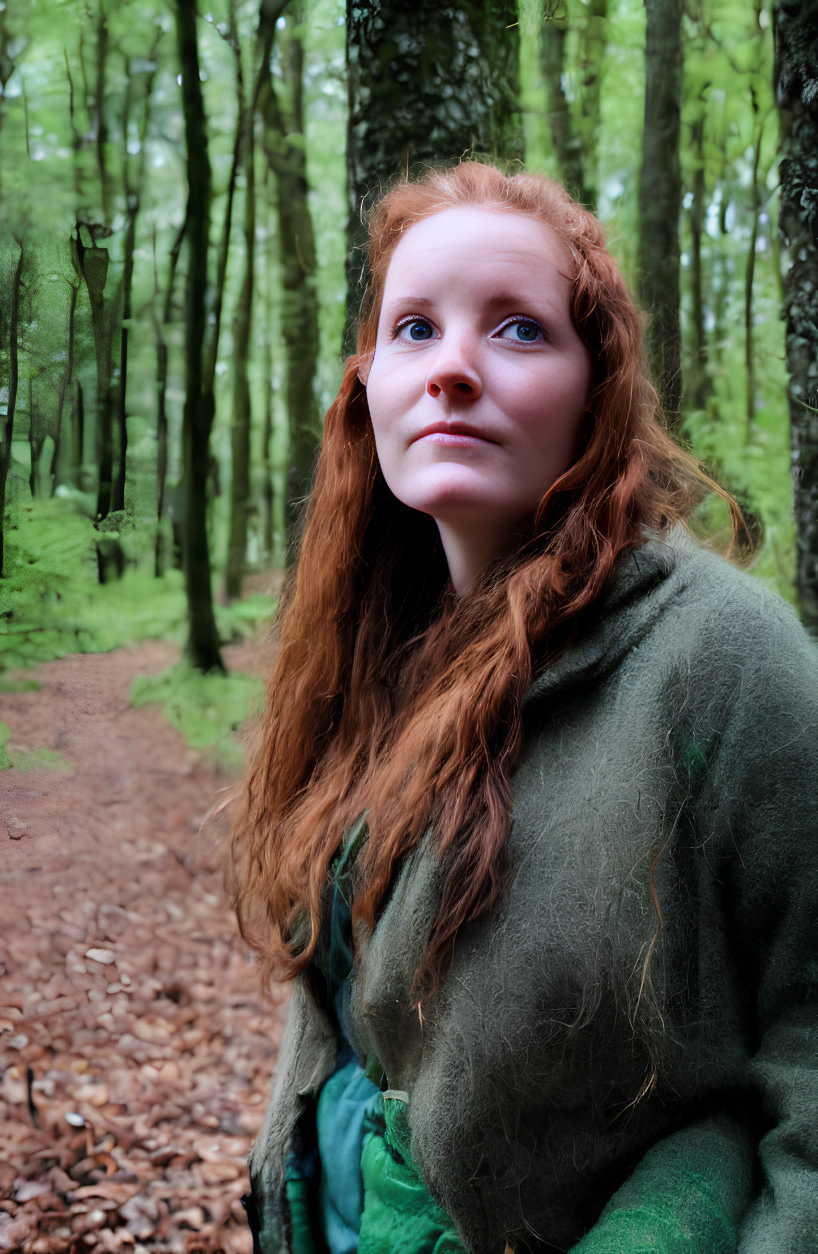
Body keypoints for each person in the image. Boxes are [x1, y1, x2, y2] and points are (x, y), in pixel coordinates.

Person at [230, 161, 818, 1253]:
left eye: (514, 330)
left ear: (594, 387)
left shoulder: (721, 655)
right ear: (367, 385)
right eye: (414, 328)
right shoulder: (368, 651)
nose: (450, 368)